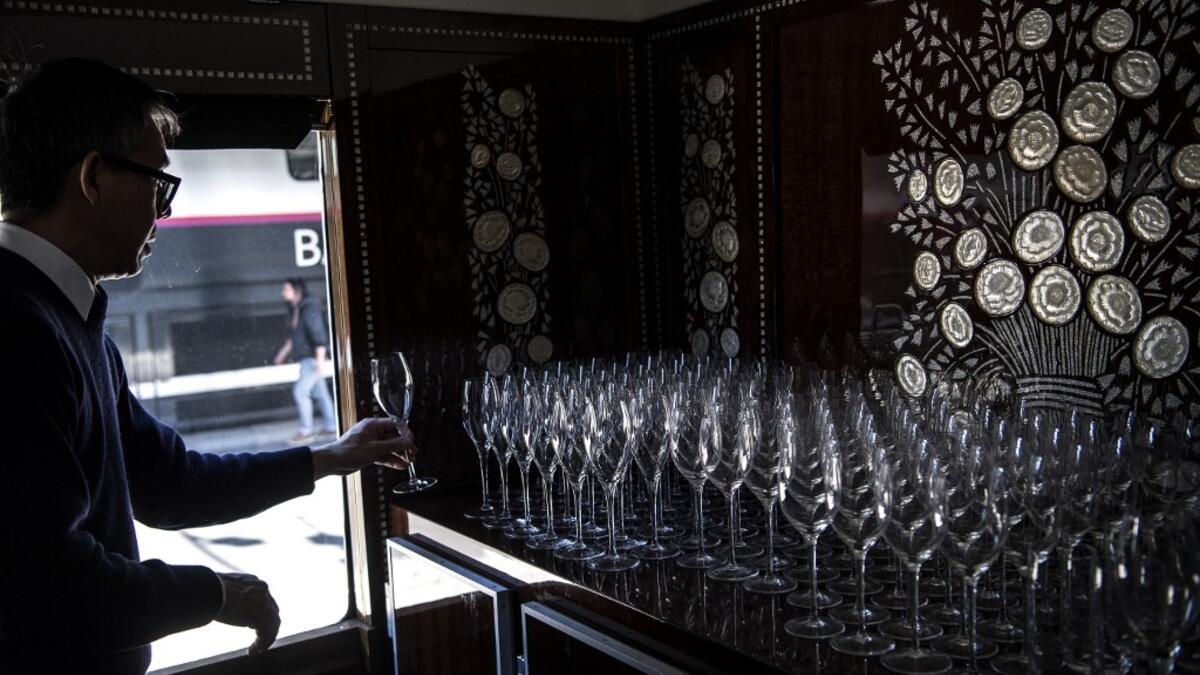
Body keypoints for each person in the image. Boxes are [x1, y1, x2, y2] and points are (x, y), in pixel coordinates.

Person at [0, 58, 416, 675]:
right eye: (156, 183)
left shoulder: (65, 318)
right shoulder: (17, 326)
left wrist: (331, 458)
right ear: (92, 177)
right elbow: (43, 582)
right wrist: (211, 593)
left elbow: (168, 484)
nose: (161, 214)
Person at [273, 277, 338, 443]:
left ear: (297, 290)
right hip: (306, 359)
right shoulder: (295, 308)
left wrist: (320, 362)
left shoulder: (309, 307)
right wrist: (282, 354)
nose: (283, 293)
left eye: (286, 289)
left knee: (300, 392)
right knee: (321, 393)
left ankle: (306, 432)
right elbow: (294, 337)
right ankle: (331, 427)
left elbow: (319, 335)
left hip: (313, 359)